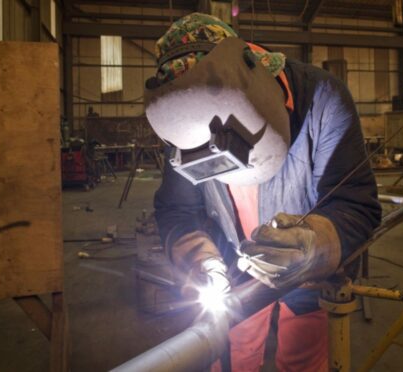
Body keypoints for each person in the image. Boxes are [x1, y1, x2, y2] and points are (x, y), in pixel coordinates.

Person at [145, 13, 381, 372]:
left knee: (303, 360)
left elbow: (355, 204)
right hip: (232, 275)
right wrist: (200, 257)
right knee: (233, 357)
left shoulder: (324, 98)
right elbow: (177, 210)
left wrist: (316, 244)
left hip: (308, 277)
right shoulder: (180, 127)